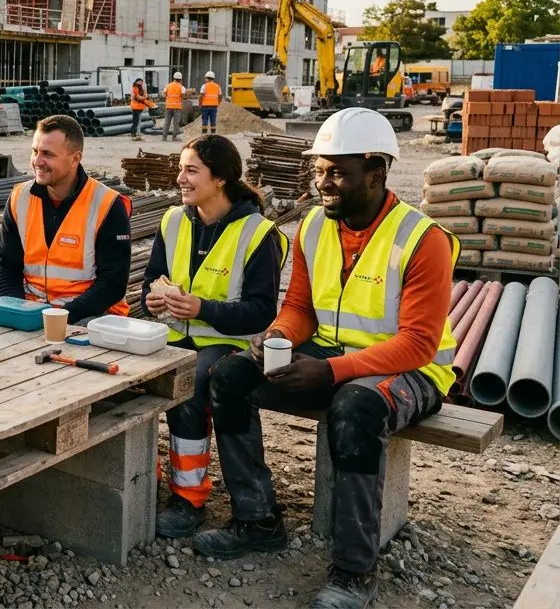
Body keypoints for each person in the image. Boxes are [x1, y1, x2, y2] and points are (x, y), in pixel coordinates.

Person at [192, 108, 458, 609]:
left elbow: (419, 343)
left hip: (412, 371)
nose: (322, 183)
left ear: (376, 172)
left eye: (337, 172)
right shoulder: (314, 226)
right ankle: (257, 520)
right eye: (319, 171)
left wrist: (331, 371)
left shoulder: (423, 239)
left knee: (355, 408)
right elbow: (299, 308)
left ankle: (355, 570)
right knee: (230, 376)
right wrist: (277, 337)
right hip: (334, 357)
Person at [141, 135, 287, 538]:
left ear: (220, 178)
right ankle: (142, 474)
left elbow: (261, 311)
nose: (180, 179)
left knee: (188, 384)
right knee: (127, 378)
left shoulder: (258, 233)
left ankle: (188, 498)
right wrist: (151, 301)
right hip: (175, 333)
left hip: (231, 343)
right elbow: (151, 280)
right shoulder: (173, 220)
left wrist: (203, 309)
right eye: (181, 169)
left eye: (191, 170)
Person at [0, 115, 132, 322]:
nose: (37, 161)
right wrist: (16, 311)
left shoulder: (108, 204)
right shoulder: (20, 197)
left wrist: (59, 318)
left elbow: (113, 283)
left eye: (47, 154)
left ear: (75, 159)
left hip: (91, 315)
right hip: (32, 311)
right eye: (35, 151)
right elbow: (6, 264)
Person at [162, 71, 186, 141]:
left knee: (167, 122)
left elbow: (163, 95)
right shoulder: (182, 87)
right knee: (176, 123)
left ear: (174, 78)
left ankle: (164, 137)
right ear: (180, 80)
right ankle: (174, 137)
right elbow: (184, 96)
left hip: (168, 107)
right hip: (177, 107)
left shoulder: (168, 85)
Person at [199, 70, 222, 135]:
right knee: (213, 120)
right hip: (214, 106)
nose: (205, 79)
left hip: (205, 106)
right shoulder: (217, 86)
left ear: (207, 78)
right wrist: (218, 103)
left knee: (204, 120)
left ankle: (204, 134)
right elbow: (220, 96)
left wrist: (200, 104)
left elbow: (201, 96)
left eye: (205, 78)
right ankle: (213, 134)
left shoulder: (204, 86)